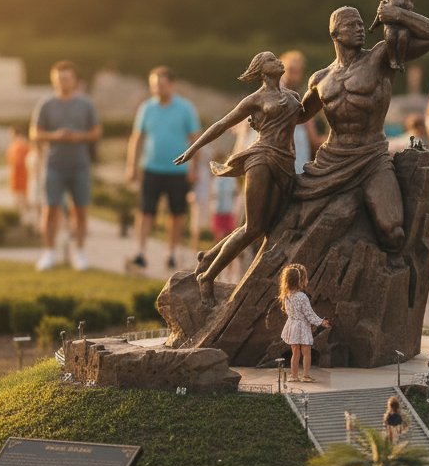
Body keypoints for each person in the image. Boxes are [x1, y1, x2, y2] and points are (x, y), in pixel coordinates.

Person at [299, 3, 429, 252]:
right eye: (351, 25)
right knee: (300, 222)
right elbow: (298, 116)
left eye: (360, 23)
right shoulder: (320, 78)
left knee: (393, 231)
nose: (360, 29)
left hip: (371, 158)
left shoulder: (380, 57)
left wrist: (400, 15)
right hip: (330, 161)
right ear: (335, 33)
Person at [175, 52, 303, 304]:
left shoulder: (293, 97)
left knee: (268, 228)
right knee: (254, 227)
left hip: (286, 164)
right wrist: (192, 149)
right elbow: (221, 125)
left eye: (277, 58)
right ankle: (207, 277)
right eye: (270, 60)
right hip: (262, 160)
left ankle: (210, 256)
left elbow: (308, 113)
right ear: (261, 70)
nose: (278, 61)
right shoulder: (255, 99)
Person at [128, 66, 200, 270]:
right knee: (145, 211)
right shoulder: (146, 108)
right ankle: (140, 251)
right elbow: (137, 138)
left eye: (161, 84)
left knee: (175, 213)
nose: (157, 89)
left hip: (178, 170)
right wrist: (131, 166)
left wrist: (193, 168)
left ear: (171, 84)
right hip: (151, 168)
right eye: (153, 85)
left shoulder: (186, 108)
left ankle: (172, 252)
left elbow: (195, 139)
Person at [31, 61, 99, 272]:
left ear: (74, 79)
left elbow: (96, 132)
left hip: (79, 165)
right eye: (60, 78)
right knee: (50, 209)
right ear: (54, 79)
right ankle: (49, 252)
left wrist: (79, 137)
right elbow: (35, 133)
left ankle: (79, 252)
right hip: (54, 165)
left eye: (67, 78)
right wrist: (56, 136)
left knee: (80, 210)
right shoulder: (46, 104)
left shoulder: (86, 104)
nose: (63, 81)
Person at [279, 263, 330, 383]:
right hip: (302, 327)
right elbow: (309, 314)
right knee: (306, 352)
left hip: (292, 326)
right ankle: (306, 376)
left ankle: (293, 376)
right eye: (305, 278)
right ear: (300, 280)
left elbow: (290, 312)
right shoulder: (302, 296)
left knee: (295, 352)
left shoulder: (286, 295)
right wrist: (321, 322)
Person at [278, 50, 323, 174]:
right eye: (291, 70)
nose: (293, 76)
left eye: (297, 72)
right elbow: (313, 138)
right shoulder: (290, 96)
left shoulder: (299, 95)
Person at [6, 125, 31, 221]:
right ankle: (20, 217)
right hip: (15, 175)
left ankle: (23, 218)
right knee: (18, 198)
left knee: (22, 199)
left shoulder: (21, 145)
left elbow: (20, 161)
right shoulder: (13, 145)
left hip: (21, 174)